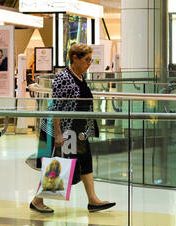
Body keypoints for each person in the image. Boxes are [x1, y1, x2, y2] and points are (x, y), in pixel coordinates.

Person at [30, 43, 115, 214]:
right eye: (86, 60)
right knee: (59, 163)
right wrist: (59, 134)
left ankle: (93, 200)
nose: (89, 63)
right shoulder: (64, 79)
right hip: (66, 129)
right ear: (75, 58)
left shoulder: (80, 76)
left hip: (78, 129)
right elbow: (56, 108)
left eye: (91, 60)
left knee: (85, 161)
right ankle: (37, 200)